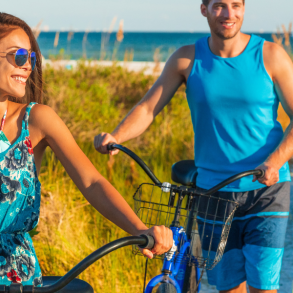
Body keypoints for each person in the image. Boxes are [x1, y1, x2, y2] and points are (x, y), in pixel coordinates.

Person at [94, 0, 293, 292]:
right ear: (204, 9)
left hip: (267, 190)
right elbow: (148, 108)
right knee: (228, 288)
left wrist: (275, 161)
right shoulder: (187, 59)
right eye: (219, 6)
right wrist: (116, 136)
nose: (228, 14)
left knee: (264, 286)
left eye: (236, 5)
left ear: (244, 8)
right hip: (213, 192)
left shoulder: (271, 55)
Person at [0, 13, 173, 287]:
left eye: (31, 58)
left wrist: (139, 228)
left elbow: (91, 181)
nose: (27, 66)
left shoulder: (36, 119)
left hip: (14, 276)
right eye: (18, 55)